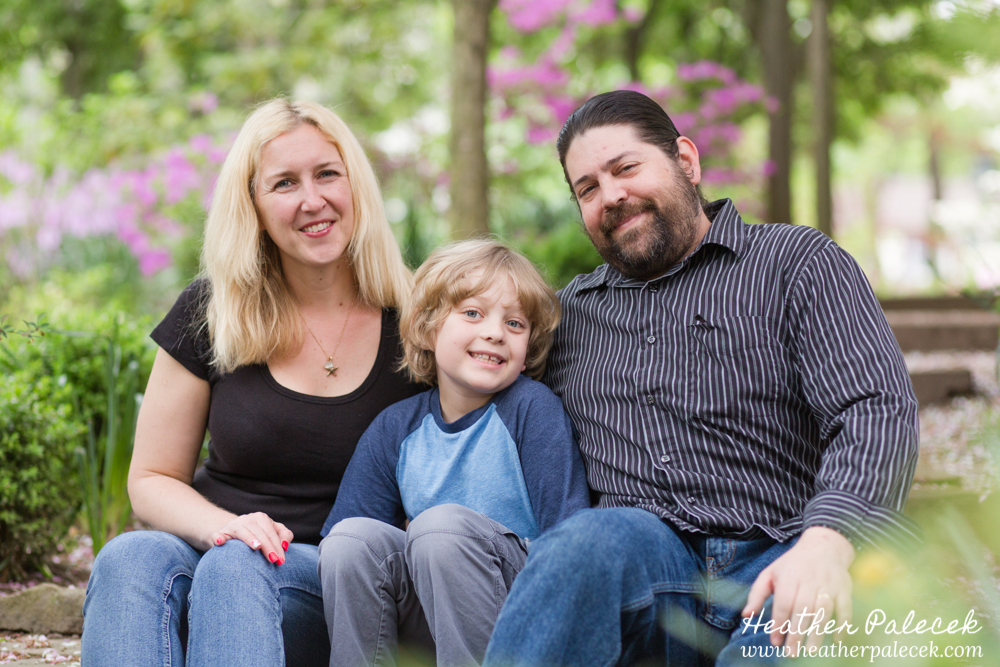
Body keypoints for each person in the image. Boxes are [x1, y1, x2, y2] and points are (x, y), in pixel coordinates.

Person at [482, 90, 919, 666]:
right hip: (647, 568)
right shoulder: (570, 318)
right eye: (587, 188)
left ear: (685, 160)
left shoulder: (795, 263)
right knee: (583, 543)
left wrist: (828, 540)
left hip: (788, 549)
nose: (610, 195)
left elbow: (874, 407)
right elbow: (471, 373)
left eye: (626, 167)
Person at [81, 98, 422, 667]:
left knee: (239, 567)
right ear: (254, 207)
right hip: (214, 545)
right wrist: (230, 528)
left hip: (329, 578)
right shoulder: (212, 312)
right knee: (129, 557)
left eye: (327, 174)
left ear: (355, 183)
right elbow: (151, 477)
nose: (312, 200)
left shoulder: (416, 320)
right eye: (284, 183)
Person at [317, 239, 591, 667]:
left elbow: (567, 544)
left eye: (515, 324)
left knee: (440, 528)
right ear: (428, 329)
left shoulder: (531, 409)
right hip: (427, 621)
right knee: (350, 541)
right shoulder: (396, 428)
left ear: (527, 351)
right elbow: (352, 552)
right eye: (472, 313)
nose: (495, 332)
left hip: (521, 614)